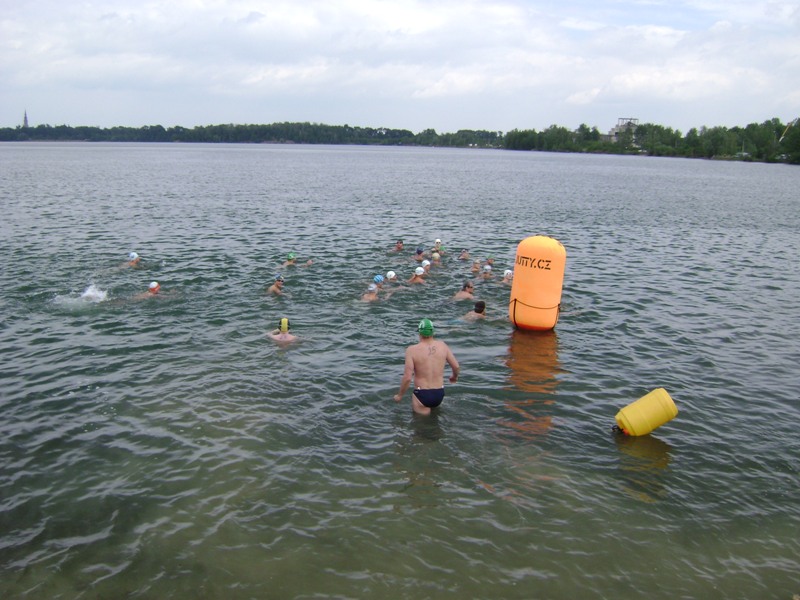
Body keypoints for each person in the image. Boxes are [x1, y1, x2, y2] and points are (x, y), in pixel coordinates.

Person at [393, 318, 460, 415]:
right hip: (439, 393)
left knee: (421, 423)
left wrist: (399, 396)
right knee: (435, 420)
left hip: (422, 394)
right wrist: (454, 377)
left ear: (419, 332)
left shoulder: (412, 350)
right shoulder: (443, 346)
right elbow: (456, 367)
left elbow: (407, 378)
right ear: (433, 332)